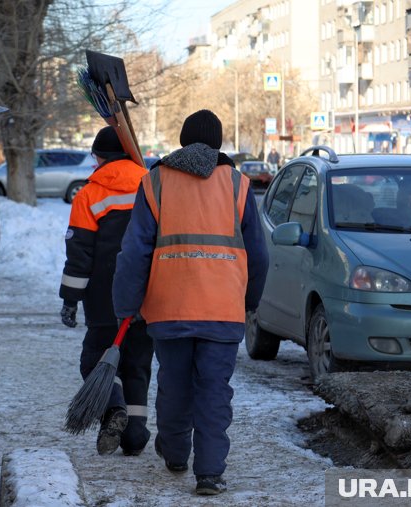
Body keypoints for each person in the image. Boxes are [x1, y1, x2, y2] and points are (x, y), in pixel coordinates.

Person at [112, 109, 269, 495]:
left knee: (173, 384)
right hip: (222, 309)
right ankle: (210, 472)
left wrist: (126, 305)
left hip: (170, 307)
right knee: (214, 390)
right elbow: (259, 254)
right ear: (218, 143)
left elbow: (134, 252)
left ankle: (177, 453)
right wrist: (249, 301)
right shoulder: (238, 185)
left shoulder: (156, 183)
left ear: (183, 140)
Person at [60, 126, 154, 456]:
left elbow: (80, 253)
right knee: (138, 364)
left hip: (103, 296)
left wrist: (70, 299)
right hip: (147, 292)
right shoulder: (152, 185)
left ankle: (114, 407)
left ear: (100, 157)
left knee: (93, 360)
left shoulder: (90, 194)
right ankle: (135, 434)